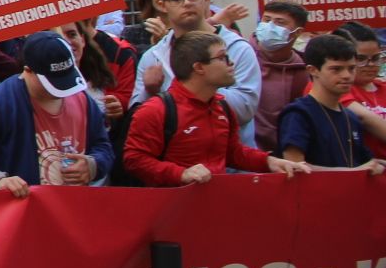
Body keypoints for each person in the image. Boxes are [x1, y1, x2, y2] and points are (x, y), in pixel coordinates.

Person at [122, 32, 310, 186]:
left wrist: (270, 162)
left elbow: (232, 152)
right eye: (222, 58)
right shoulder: (155, 110)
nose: (231, 63)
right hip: (171, 216)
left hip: (216, 209)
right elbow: (134, 160)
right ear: (199, 68)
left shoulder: (222, 106)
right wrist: (181, 174)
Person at [0, 33, 114, 196]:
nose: (62, 91)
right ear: (28, 71)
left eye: (66, 80)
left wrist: (93, 165)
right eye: (53, 83)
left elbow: (103, 145)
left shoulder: (82, 98)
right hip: (23, 209)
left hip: (72, 207)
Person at [131, 0, 258, 145]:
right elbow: (137, 119)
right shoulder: (153, 56)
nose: (187, 3)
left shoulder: (238, 48)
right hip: (175, 164)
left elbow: (245, 109)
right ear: (162, 4)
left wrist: (201, 84)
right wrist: (149, 90)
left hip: (230, 164)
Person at [278, 34, 386, 171]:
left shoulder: (351, 117)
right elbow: (294, 167)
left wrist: (377, 167)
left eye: (351, 68)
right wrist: (351, 173)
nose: (346, 75)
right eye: (336, 69)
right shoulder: (298, 114)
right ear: (313, 70)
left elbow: (365, 163)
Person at [252, 0, 312, 151]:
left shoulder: (301, 70)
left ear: (297, 32)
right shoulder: (241, 55)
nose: (270, 27)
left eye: (280, 23)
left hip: (279, 153)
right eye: (266, 20)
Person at [335, 23, 386, 161]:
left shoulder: (383, 87)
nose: (370, 65)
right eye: (361, 59)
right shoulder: (334, 88)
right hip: (362, 171)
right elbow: (364, 118)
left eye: (375, 58)